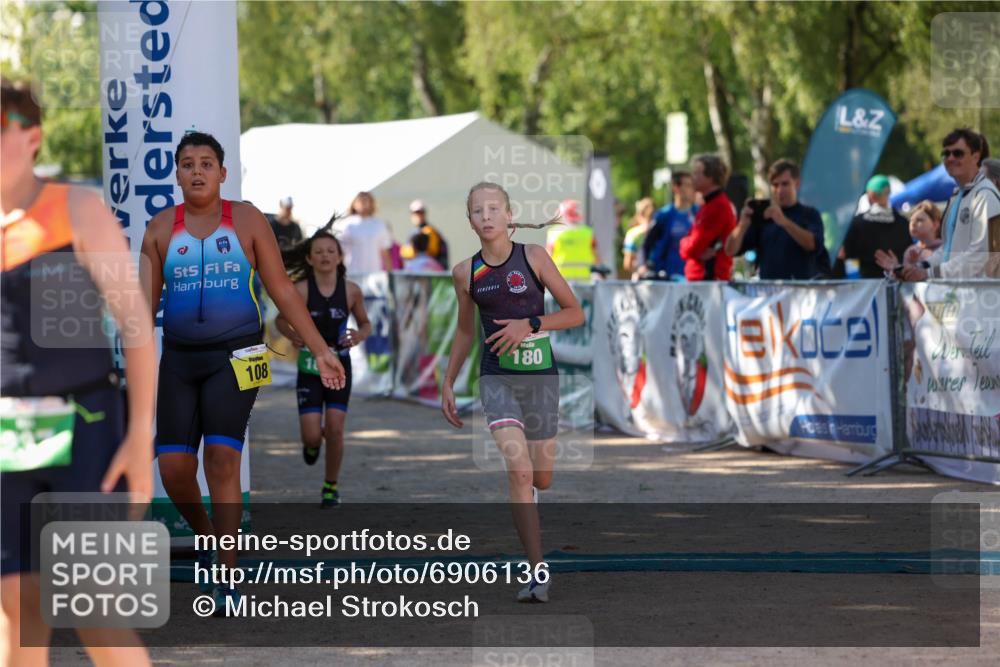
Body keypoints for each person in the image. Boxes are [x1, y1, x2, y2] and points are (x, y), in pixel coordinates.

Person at [140, 131, 345, 615]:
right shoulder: (160, 227)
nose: (196, 170)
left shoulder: (247, 219)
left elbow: (283, 291)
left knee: (222, 461)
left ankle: (227, 575)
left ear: (222, 173)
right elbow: (141, 310)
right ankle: (210, 536)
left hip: (238, 356)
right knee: (172, 469)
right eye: (187, 163)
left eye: (206, 163)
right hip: (180, 358)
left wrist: (321, 348)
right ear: (176, 173)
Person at [1, 80, 157, 667]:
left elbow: (136, 328)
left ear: (32, 137)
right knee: (18, 610)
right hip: (6, 441)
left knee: (97, 610)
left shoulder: (76, 209)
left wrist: (141, 435)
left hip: (87, 428)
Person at [442, 182, 584, 603]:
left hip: (540, 379)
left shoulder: (534, 256)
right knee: (519, 472)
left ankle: (533, 491)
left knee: (543, 477)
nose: (485, 217)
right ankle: (537, 570)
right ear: (469, 221)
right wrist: (448, 381)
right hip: (496, 378)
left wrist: (533, 325)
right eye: (477, 211)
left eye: (493, 209)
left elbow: (574, 312)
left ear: (508, 215)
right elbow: (466, 330)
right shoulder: (465, 273)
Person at [276, 230, 370, 507]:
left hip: (340, 364)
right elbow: (280, 320)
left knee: (336, 428)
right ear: (309, 258)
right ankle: (312, 444)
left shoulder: (351, 290)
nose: (325, 256)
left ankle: (330, 486)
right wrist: (292, 335)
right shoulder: (302, 289)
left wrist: (359, 335)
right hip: (310, 365)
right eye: (318, 251)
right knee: (312, 434)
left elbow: (366, 324)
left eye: (331, 251)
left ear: (340, 257)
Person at [877, 129, 1000, 280]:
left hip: (980, 297)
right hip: (960, 295)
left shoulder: (985, 195)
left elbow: (980, 256)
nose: (950, 158)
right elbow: (948, 250)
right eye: (946, 154)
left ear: (976, 157)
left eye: (958, 153)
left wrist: (928, 273)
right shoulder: (958, 197)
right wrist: (917, 267)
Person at [725, 158, 828, 280]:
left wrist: (784, 222)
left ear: (797, 183)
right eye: (775, 185)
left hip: (801, 292)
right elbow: (730, 251)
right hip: (770, 292)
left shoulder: (809, 214)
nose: (780, 190)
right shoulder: (763, 217)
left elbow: (813, 245)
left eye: (785, 184)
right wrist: (742, 224)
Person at [839, 175, 913, 278]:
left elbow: (844, 253)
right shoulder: (903, 222)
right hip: (899, 282)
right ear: (889, 192)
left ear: (871, 194)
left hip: (868, 285)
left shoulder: (858, 223)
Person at [680, 154, 737, 281]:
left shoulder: (717, 206)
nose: (692, 178)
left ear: (710, 177)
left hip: (709, 280)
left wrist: (686, 244)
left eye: (697, 173)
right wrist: (686, 243)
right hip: (702, 279)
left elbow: (693, 248)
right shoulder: (709, 205)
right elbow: (690, 244)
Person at [641, 171, 699, 280]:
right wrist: (649, 265)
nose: (691, 189)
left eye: (692, 186)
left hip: (692, 276)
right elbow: (648, 243)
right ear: (675, 188)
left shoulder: (698, 213)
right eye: (687, 185)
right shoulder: (663, 215)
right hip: (667, 277)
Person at [332, 191, 394, 273]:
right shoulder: (346, 225)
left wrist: (390, 274)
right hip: (352, 273)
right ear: (354, 203)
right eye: (360, 200)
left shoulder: (379, 224)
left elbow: (385, 251)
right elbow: (341, 252)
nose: (363, 203)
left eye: (366, 200)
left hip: (374, 274)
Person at [546, 199, 600, 281]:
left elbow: (547, 258)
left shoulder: (554, 233)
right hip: (585, 281)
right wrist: (597, 273)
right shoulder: (588, 233)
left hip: (561, 281)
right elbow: (597, 257)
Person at [402, 199, 449, 268]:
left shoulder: (431, 232)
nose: (418, 216)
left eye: (421, 212)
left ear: (424, 214)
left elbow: (434, 252)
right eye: (415, 213)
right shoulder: (413, 233)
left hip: (430, 271)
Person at [900, 200, 943, 267]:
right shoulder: (910, 251)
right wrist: (894, 268)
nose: (913, 224)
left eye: (919, 220)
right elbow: (906, 275)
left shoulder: (945, 249)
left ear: (935, 224)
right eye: (911, 220)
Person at [621, 197, 654, 277]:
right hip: (641, 279)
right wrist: (640, 271)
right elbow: (627, 264)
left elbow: (627, 264)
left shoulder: (633, 233)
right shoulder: (633, 234)